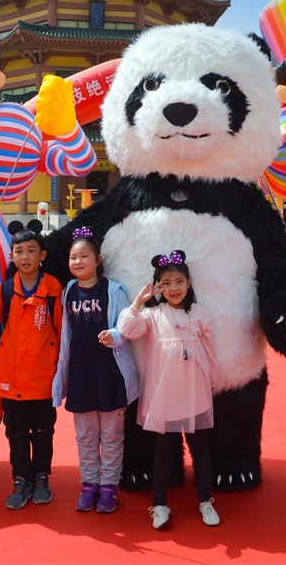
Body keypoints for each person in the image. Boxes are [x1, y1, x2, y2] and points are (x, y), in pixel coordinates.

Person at [117, 251, 221, 530]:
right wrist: (140, 301)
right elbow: (126, 329)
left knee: (200, 447)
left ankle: (205, 501)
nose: (174, 288)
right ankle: (160, 504)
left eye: (179, 281)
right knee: (164, 449)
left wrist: (212, 377)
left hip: (195, 390)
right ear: (158, 287)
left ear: (188, 284)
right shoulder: (152, 315)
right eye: (166, 283)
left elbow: (210, 349)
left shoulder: (200, 314)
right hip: (165, 392)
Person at [0, 220, 63, 510]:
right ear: (12, 256)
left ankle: (42, 477)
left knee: (44, 433)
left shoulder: (54, 290)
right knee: (17, 434)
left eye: (31, 250)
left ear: (42, 256)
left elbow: (62, 333)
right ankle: (21, 480)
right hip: (12, 378)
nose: (25, 256)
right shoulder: (5, 289)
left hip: (44, 378)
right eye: (19, 251)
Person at [51, 226, 138, 513]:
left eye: (84, 256)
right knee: (86, 435)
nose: (78, 262)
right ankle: (89, 485)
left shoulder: (114, 290)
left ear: (98, 259)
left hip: (110, 375)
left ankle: (109, 487)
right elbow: (66, 337)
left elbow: (126, 328)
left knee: (112, 435)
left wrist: (114, 336)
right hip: (80, 376)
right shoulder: (68, 292)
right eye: (73, 258)